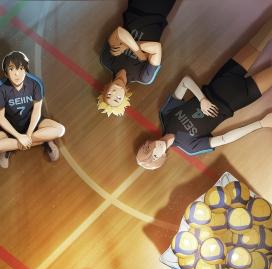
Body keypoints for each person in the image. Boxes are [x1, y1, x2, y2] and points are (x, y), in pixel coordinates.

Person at [136, 21, 272, 168]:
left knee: (264, 33)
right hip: (238, 98)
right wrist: (260, 124)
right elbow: (224, 138)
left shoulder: (165, 114)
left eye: (146, 147)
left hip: (224, 78)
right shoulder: (190, 147)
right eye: (152, 154)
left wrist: (202, 99)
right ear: (160, 158)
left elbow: (185, 82)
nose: (151, 147)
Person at [0, 51, 65, 169]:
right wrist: (19, 136)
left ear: (26, 69)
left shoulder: (35, 83)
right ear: (6, 73)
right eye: (11, 69)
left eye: (21, 68)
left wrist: (27, 135)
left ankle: (10, 146)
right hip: (11, 126)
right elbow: (0, 118)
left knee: (60, 130)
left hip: (32, 122)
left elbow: (37, 111)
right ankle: (44, 140)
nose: (17, 73)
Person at [98, 0, 176, 116]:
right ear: (125, 96)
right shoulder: (144, 77)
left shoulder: (107, 60)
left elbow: (119, 32)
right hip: (158, 12)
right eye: (118, 98)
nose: (115, 92)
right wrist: (128, 45)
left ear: (105, 89)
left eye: (109, 95)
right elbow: (156, 48)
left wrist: (137, 52)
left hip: (136, 7)